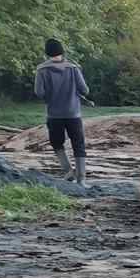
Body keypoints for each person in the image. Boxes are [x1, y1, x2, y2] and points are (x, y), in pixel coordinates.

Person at [33, 38, 89, 185]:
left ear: (47, 53)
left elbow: (39, 92)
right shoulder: (73, 68)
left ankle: (68, 171)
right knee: (78, 144)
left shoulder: (41, 69)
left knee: (57, 143)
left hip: (54, 114)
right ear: (62, 52)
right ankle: (81, 179)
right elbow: (85, 90)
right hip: (73, 113)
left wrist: (49, 97)